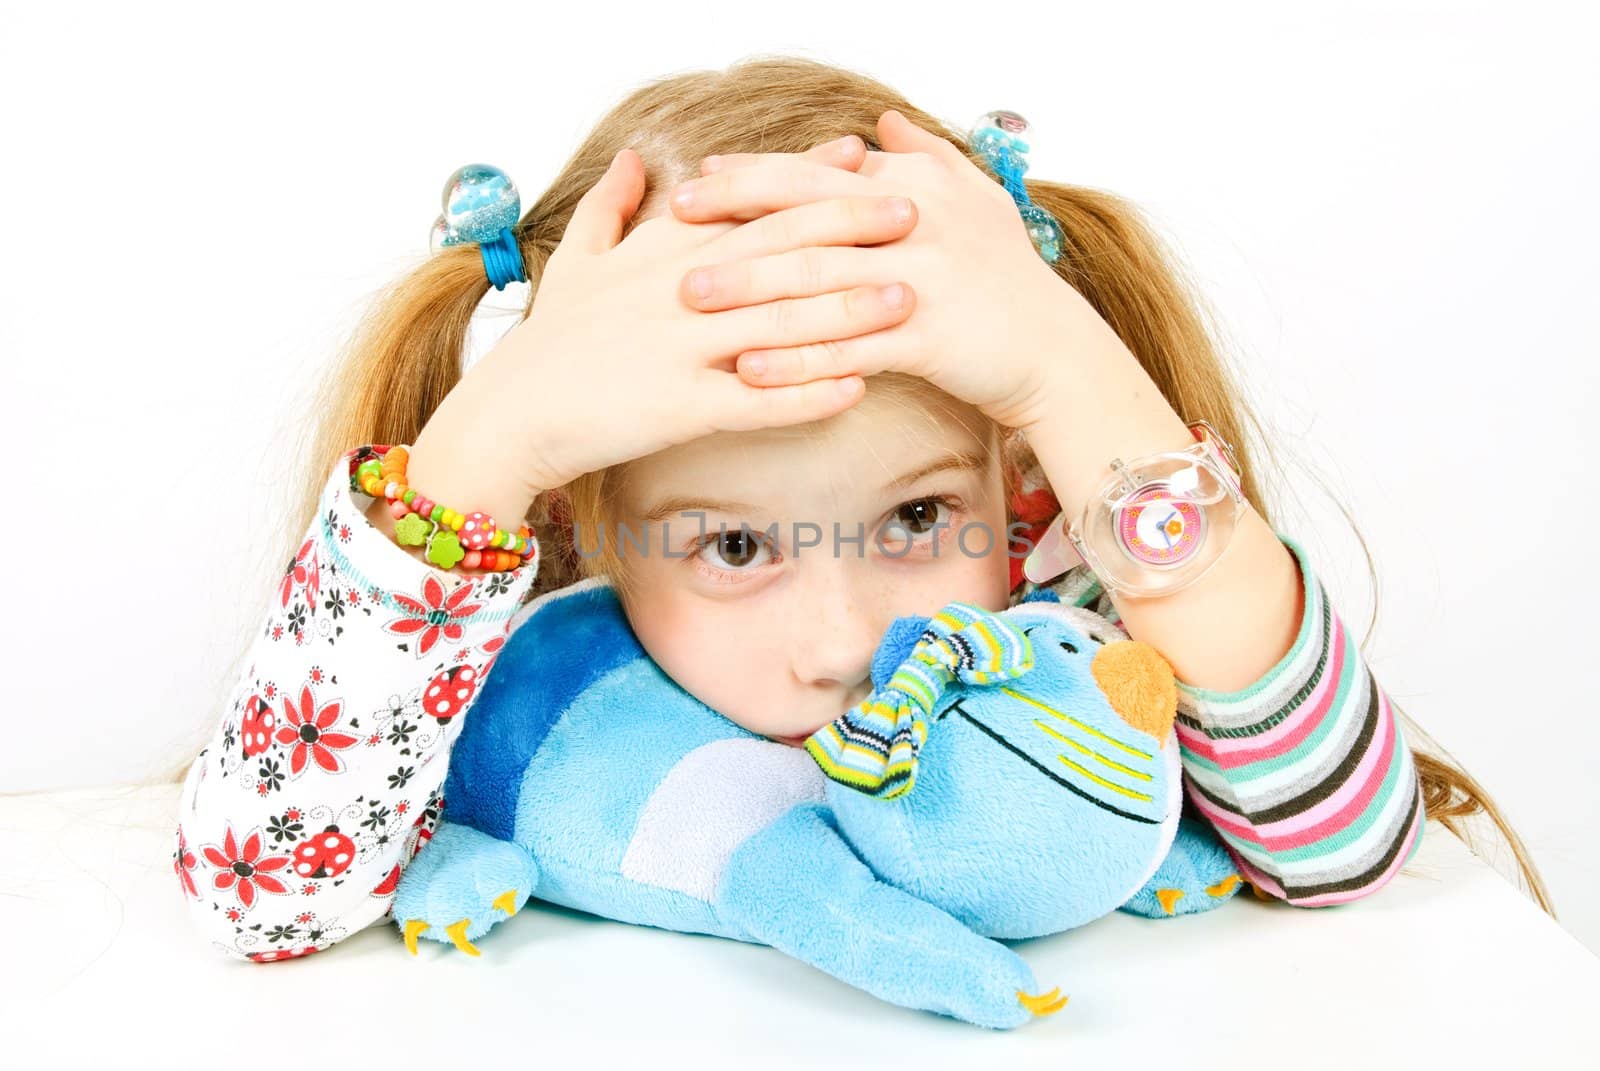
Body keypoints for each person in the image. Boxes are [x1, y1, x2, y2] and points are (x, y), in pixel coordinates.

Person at [168, 56, 1549, 964]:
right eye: (731, 545)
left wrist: (1075, 379)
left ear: (1012, 477)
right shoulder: (510, 686)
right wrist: (489, 445)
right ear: (585, 515)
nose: (840, 641)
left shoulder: (1060, 621)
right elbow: (263, 894)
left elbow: (1349, 854)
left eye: (909, 521)